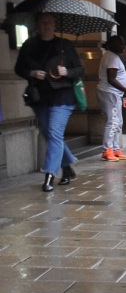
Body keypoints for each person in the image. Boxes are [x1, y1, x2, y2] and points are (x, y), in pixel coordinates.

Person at [15, 12, 83, 191]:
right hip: (40, 97)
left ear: (55, 25)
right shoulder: (29, 45)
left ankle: (50, 175)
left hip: (63, 96)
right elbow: (18, 68)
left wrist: (66, 72)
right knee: (50, 134)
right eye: (43, 22)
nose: (47, 25)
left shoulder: (64, 45)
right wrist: (31, 73)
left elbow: (79, 68)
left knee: (54, 131)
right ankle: (67, 167)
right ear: (37, 24)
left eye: (50, 22)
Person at [98, 34, 126, 161]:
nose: (123, 46)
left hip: (114, 94)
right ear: (112, 45)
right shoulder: (111, 58)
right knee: (113, 122)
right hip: (110, 93)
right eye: (120, 43)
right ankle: (107, 150)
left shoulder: (112, 56)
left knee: (118, 122)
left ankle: (115, 149)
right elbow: (111, 79)